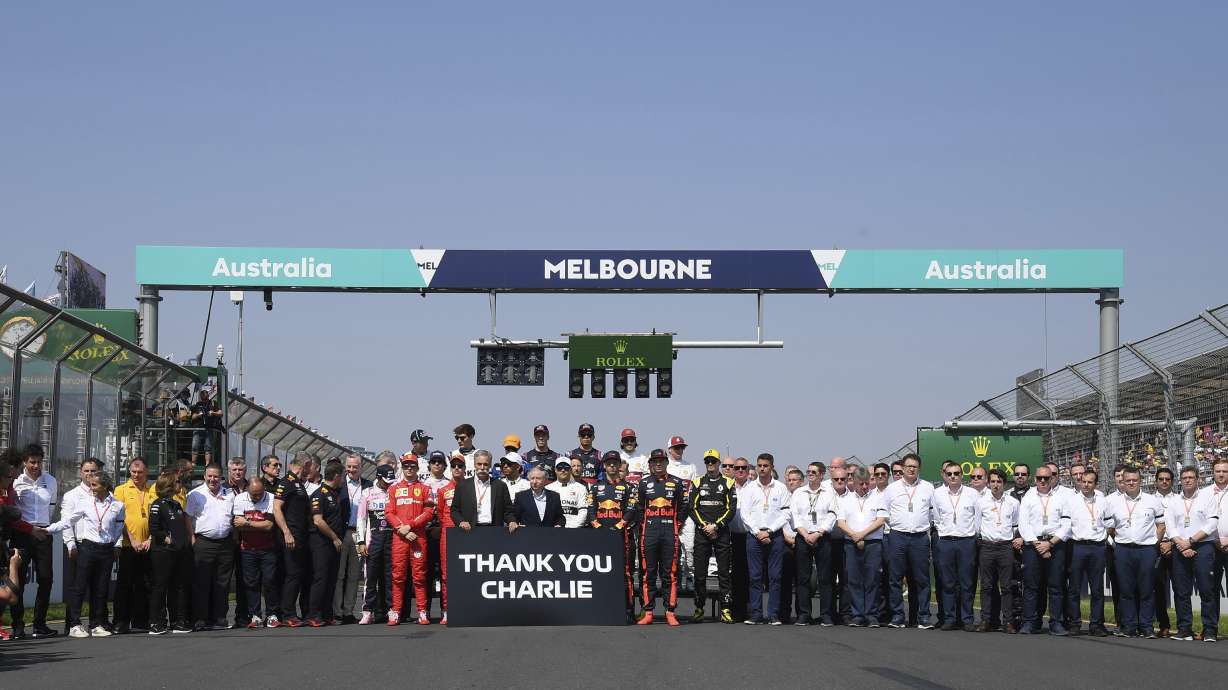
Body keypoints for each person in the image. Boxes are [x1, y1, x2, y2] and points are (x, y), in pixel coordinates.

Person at [46, 473, 127, 638]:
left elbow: (118, 529)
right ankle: (75, 624)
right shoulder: (85, 503)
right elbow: (68, 521)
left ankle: (97, 624)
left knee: (101, 589)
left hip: (106, 550)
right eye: (90, 485)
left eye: (95, 485)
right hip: (88, 548)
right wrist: (48, 529)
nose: (91, 489)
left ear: (104, 486)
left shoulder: (118, 505)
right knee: (79, 587)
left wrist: (117, 544)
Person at [1103, 466, 1165, 638]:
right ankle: (1129, 626)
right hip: (1123, 549)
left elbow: (1161, 525)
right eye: (1127, 480)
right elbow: (1109, 528)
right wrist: (1115, 544)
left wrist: (1154, 544)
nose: (1131, 483)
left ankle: (1146, 626)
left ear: (1140, 481)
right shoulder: (1112, 503)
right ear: (1123, 481)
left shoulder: (1152, 501)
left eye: (1134, 480)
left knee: (1146, 589)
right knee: (1126, 589)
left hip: (1146, 549)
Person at [881, 453, 935, 629]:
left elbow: (933, 513)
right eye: (908, 466)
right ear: (902, 468)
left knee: (922, 579)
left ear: (919, 468)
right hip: (898, 536)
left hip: (920, 537)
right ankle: (897, 616)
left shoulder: (928, 488)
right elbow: (884, 512)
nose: (911, 469)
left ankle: (924, 617)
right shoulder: (892, 488)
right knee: (895, 578)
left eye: (915, 466)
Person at [1177, 457, 1227, 643]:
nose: (1221, 474)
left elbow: (1213, 521)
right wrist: (1189, 542)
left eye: (1225, 471)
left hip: (1219, 543)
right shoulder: (1204, 493)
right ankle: (1207, 630)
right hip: (1210, 544)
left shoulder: (1202, 495)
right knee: (1208, 589)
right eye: (1218, 471)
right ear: (1212, 473)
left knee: (1210, 590)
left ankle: (1211, 629)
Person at [11, 443, 58, 638]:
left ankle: (39, 624)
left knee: (46, 578)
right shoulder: (16, 481)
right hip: (22, 533)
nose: (36, 466)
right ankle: (17, 625)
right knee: (18, 580)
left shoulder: (50, 480)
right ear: (25, 462)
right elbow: (12, 510)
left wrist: (44, 528)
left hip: (43, 533)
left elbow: (52, 506)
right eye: (32, 462)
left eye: (39, 462)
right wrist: (29, 529)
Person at [635, 449, 687, 626]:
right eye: (655, 461)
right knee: (648, 573)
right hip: (649, 532)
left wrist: (676, 526)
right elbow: (639, 509)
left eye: (661, 461)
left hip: (669, 532)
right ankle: (648, 611)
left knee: (669, 574)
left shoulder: (677, 483)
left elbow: (683, 508)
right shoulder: (643, 484)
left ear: (666, 462)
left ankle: (670, 611)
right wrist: (645, 526)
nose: (658, 463)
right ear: (650, 464)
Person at [1018, 464, 1071, 635]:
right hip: (1033, 545)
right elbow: (1023, 524)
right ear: (1034, 479)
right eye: (1039, 478)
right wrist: (1037, 544)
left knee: (1056, 586)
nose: (1042, 481)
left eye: (1046, 478)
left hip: (1055, 544)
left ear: (1052, 479)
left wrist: (1050, 544)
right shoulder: (1029, 496)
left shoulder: (1061, 497)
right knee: (1032, 586)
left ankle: (1056, 622)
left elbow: (1067, 525)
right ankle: (1029, 622)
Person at [740, 453, 791, 626]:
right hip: (754, 537)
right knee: (755, 576)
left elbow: (786, 513)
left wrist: (769, 531)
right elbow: (744, 514)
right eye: (759, 465)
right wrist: (757, 532)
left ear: (772, 467)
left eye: (765, 466)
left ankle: (773, 615)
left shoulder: (781, 488)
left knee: (775, 577)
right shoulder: (749, 488)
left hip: (775, 536)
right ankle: (756, 614)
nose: (762, 469)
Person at [589, 451, 639, 622]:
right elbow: (590, 510)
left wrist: (618, 527)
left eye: (614, 463)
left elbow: (631, 510)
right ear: (604, 465)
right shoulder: (595, 487)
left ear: (619, 466)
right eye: (608, 463)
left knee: (626, 574)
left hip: (622, 535)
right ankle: (601, 608)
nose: (611, 466)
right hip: (600, 536)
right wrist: (598, 527)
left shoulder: (629, 488)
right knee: (600, 573)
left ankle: (628, 609)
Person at [931, 460, 980, 631]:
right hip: (945, 541)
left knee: (967, 582)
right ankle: (950, 618)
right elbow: (936, 518)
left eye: (956, 473)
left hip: (966, 541)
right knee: (947, 583)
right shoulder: (937, 494)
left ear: (962, 475)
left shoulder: (972, 493)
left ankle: (967, 618)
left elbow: (977, 518)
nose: (953, 477)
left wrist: (970, 535)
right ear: (945, 475)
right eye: (950, 474)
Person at [836, 466, 888, 627]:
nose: (865, 487)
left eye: (867, 483)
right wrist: (854, 535)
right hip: (851, 544)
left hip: (872, 543)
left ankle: (872, 615)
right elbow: (840, 522)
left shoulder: (878, 498)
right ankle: (857, 614)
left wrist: (862, 534)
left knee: (872, 580)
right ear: (854, 482)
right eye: (861, 484)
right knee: (854, 580)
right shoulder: (845, 499)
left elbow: (880, 520)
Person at [690, 449, 737, 623]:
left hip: (721, 532)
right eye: (707, 461)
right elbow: (692, 508)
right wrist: (705, 526)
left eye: (713, 461)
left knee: (724, 573)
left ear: (719, 463)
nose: (710, 464)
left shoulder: (728, 483)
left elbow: (731, 509)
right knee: (700, 574)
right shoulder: (696, 482)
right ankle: (699, 607)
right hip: (702, 533)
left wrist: (716, 526)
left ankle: (725, 609)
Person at [186, 464, 235, 631]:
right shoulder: (195, 494)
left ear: (221, 477)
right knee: (202, 582)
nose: (212, 479)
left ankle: (220, 618)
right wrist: (192, 538)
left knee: (223, 583)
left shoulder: (230, 494)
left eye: (216, 476)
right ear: (204, 477)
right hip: (203, 542)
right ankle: (200, 619)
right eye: (209, 476)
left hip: (225, 543)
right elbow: (188, 517)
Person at [387, 455, 434, 625]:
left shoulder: (425, 488)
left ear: (417, 468)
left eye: (412, 466)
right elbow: (389, 513)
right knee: (398, 576)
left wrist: (411, 525)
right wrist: (403, 530)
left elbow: (429, 513)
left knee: (420, 576)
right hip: (400, 537)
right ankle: (396, 612)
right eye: (406, 466)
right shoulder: (393, 488)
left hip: (418, 537)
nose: (409, 469)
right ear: (402, 467)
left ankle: (422, 611)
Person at [1161, 466, 1205, 641]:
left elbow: (1210, 524)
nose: (1187, 480)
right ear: (1180, 480)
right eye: (1184, 477)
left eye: (1191, 477)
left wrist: (1191, 542)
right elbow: (1170, 527)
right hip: (1179, 548)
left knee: (1206, 591)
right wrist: (1182, 544)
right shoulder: (1174, 501)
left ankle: (1209, 629)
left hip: (1201, 546)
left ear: (1198, 479)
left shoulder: (1205, 498)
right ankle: (1184, 628)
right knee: (1181, 592)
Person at [791, 461, 837, 626]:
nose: (810, 474)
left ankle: (826, 615)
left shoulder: (829, 493)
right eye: (808, 471)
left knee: (825, 578)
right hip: (803, 537)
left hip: (822, 537)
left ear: (821, 475)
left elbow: (832, 515)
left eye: (813, 472)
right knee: (802, 578)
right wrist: (805, 534)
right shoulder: (798, 493)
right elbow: (795, 516)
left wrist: (818, 533)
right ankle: (804, 614)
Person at [113, 457, 156, 634]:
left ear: (146, 473)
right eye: (133, 472)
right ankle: (121, 621)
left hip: (148, 545)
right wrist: (133, 540)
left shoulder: (153, 491)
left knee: (146, 584)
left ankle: (142, 620)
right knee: (125, 584)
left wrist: (150, 539)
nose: (136, 475)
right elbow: (118, 519)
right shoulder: (120, 490)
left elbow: (157, 518)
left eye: (140, 472)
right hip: (128, 545)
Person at [975, 468, 1021, 633]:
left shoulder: (1013, 503)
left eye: (999, 481)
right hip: (987, 546)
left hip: (1005, 547)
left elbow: (1016, 525)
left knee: (1007, 586)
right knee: (987, 586)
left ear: (1004, 483)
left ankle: (1008, 621)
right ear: (988, 483)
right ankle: (986, 620)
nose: (996, 485)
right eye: (993, 481)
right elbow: (977, 526)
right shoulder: (981, 502)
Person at [148, 470, 192, 634]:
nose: (180, 485)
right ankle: (155, 622)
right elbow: (154, 529)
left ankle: (178, 621)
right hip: (163, 552)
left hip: (179, 552)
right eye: (177, 482)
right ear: (169, 485)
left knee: (179, 586)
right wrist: (168, 539)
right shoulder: (157, 505)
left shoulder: (176, 504)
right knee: (160, 586)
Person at [272, 453, 312, 627]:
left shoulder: (298, 483)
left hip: (300, 536)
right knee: (292, 574)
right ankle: (288, 613)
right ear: (305, 465)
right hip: (291, 537)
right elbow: (276, 508)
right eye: (310, 467)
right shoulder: (286, 482)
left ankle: (288, 612)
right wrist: (287, 532)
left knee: (296, 575)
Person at [306, 461, 348, 627]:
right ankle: (313, 614)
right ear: (337, 476)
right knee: (321, 578)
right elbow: (318, 521)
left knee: (332, 578)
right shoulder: (319, 494)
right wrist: (334, 537)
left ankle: (326, 613)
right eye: (343, 476)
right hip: (321, 542)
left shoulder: (335, 493)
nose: (344, 479)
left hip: (334, 543)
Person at [233, 476, 278, 628]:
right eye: (254, 494)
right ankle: (255, 615)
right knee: (251, 583)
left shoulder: (271, 498)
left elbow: (269, 525)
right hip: (248, 548)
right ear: (247, 490)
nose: (257, 497)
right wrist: (256, 524)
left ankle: (271, 614)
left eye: (260, 493)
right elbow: (237, 525)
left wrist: (247, 522)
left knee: (270, 581)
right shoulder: (239, 499)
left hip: (268, 548)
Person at [331, 453, 368, 625]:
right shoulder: (338, 484)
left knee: (354, 575)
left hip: (359, 533)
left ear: (361, 468)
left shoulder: (368, 486)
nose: (352, 470)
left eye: (355, 467)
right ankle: (337, 612)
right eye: (349, 466)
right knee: (339, 574)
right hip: (341, 532)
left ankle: (348, 611)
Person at [357, 465, 396, 624]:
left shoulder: (394, 492)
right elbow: (361, 519)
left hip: (392, 538)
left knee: (389, 577)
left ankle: (390, 610)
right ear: (378, 477)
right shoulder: (367, 493)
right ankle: (367, 610)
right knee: (370, 577)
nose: (388, 484)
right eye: (386, 481)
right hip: (373, 539)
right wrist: (360, 541)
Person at [450, 450, 516, 530]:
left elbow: (508, 511)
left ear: (490, 465)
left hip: (494, 531)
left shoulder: (500, 486)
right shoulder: (462, 486)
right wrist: (461, 522)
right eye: (479, 464)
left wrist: (511, 521)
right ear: (474, 464)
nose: (482, 467)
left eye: (485, 464)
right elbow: (454, 510)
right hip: (470, 531)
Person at [665, 436, 696, 595]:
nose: (679, 450)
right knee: (672, 550)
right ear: (669, 449)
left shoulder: (690, 466)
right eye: (676, 447)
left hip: (687, 511)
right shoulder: (665, 466)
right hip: (669, 512)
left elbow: (694, 492)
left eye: (682, 447)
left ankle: (690, 578)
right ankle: (674, 580)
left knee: (689, 547)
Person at [428, 466, 457, 625]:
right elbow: (439, 513)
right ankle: (446, 610)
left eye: (460, 466)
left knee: (466, 573)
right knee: (446, 575)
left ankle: (463, 607)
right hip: (447, 532)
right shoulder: (443, 490)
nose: (457, 468)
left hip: (466, 534)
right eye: (455, 466)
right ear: (451, 469)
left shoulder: (469, 488)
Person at [1149, 466, 1176, 637]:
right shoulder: (1149, 500)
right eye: (1161, 479)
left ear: (1172, 481)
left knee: (1181, 589)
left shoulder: (1180, 499)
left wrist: (1172, 543)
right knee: (1158, 588)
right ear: (1156, 481)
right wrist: (1158, 544)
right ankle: (1163, 625)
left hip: (1176, 546)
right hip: (1156, 547)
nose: (1164, 482)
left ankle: (1183, 626)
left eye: (1167, 479)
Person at [729, 456, 753, 622]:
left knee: (750, 575)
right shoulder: (727, 486)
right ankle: (733, 609)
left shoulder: (754, 488)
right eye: (736, 468)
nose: (740, 471)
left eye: (743, 468)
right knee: (733, 575)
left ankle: (748, 608)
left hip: (749, 535)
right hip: (730, 535)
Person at [548, 460, 590, 528]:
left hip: (575, 529)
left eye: (566, 467)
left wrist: (573, 527)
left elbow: (583, 511)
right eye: (560, 468)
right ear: (555, 470)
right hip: (554, 530)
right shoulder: (548, 488)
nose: (563, 470)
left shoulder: (581, 488)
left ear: (570, 470)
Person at [190, 389, 223, 466]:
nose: (205, 400)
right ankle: (193, 463)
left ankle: (207, 464)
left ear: (208, 396)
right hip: (198, 428)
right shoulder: (198, 404)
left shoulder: (213, 403)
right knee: (195, 446)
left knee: (208, 447)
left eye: (206, 398)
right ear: (201, 398)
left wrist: (213, 413)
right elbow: (192, 417)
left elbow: (221, 413)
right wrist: (199, 415)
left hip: (209, 428)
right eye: (203, 399)